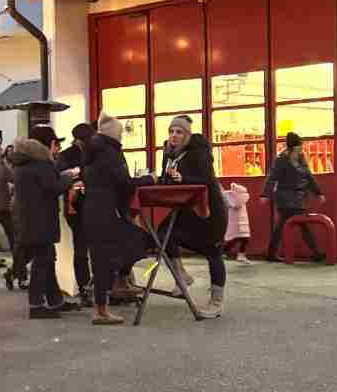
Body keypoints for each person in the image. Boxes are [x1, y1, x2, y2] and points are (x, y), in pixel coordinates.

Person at [80, 116, 153, 325]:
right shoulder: (111, 153)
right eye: (120, 133)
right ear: (114, 134)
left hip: (91, 210)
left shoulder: (91, 152)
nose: (122, 137)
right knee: (142, 241)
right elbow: (125, 183)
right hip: (107, 212)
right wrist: (149, 179)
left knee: (99, 259)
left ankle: (101, 307)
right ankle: (118, 283)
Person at [158, 114, 229, 317]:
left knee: (213, 252)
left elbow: (205, 178)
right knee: (163, 234)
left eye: (179, 132)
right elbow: (167, 178)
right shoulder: (169, 153)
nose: (174, 136)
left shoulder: (199, 151)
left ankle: (216, 302)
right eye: (171, 131)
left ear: (188, 135)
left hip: (210, 209)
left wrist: (183, 178)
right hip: (186, 209)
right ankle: (181, 275)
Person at [10, 132, 80, 319]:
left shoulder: (23, 163)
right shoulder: (41, 164)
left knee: (47, 260)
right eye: (55, 144)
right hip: (41, 220)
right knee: (42, 261)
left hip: (29, 219)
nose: (57, 148)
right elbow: (53, 187)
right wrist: (69, 176)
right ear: (47, 145)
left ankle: (55, 300)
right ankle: (36, 305)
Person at [263, 132, 324, 262]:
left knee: (282, 225)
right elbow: (272, 177)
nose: (301, 147)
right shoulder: (281, 160)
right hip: (285, 197)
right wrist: (265, 194)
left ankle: (271, 253)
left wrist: (318, 193)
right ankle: (315, 252)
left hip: (298, 197)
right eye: (299, 145)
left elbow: (308, 176)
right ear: (293, 147)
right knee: (301, 223)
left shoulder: (301, 158)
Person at [58, 122, 95, 305]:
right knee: (87, 249)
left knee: (81, 249)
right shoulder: (89, 153)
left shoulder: (65, 155)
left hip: (74, 206)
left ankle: (85, 287)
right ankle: (89, 287)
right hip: (83, 205)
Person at [223, 183, 252, 262]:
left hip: (242, 221)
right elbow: (236, 204)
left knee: (244, 238)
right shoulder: (231, 197)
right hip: (235, 221)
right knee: (235, 239)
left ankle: (241, 255)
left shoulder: (232, 198)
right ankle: (223, 252)